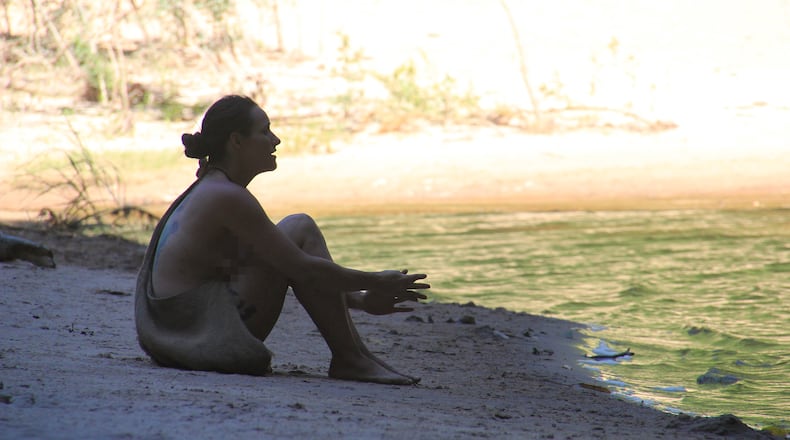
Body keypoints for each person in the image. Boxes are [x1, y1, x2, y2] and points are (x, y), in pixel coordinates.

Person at [135, 95, 429, 385]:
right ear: (236, 141)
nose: (275, 140)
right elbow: (302, 269)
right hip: (194, 338)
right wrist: (378, 281)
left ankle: (355, 356)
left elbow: (271, 265)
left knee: (297, 229)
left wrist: (361, 301)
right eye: (265, 131)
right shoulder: (226, 196)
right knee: (301, 229)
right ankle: (351, 358)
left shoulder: (214, 187)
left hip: (177, 332)